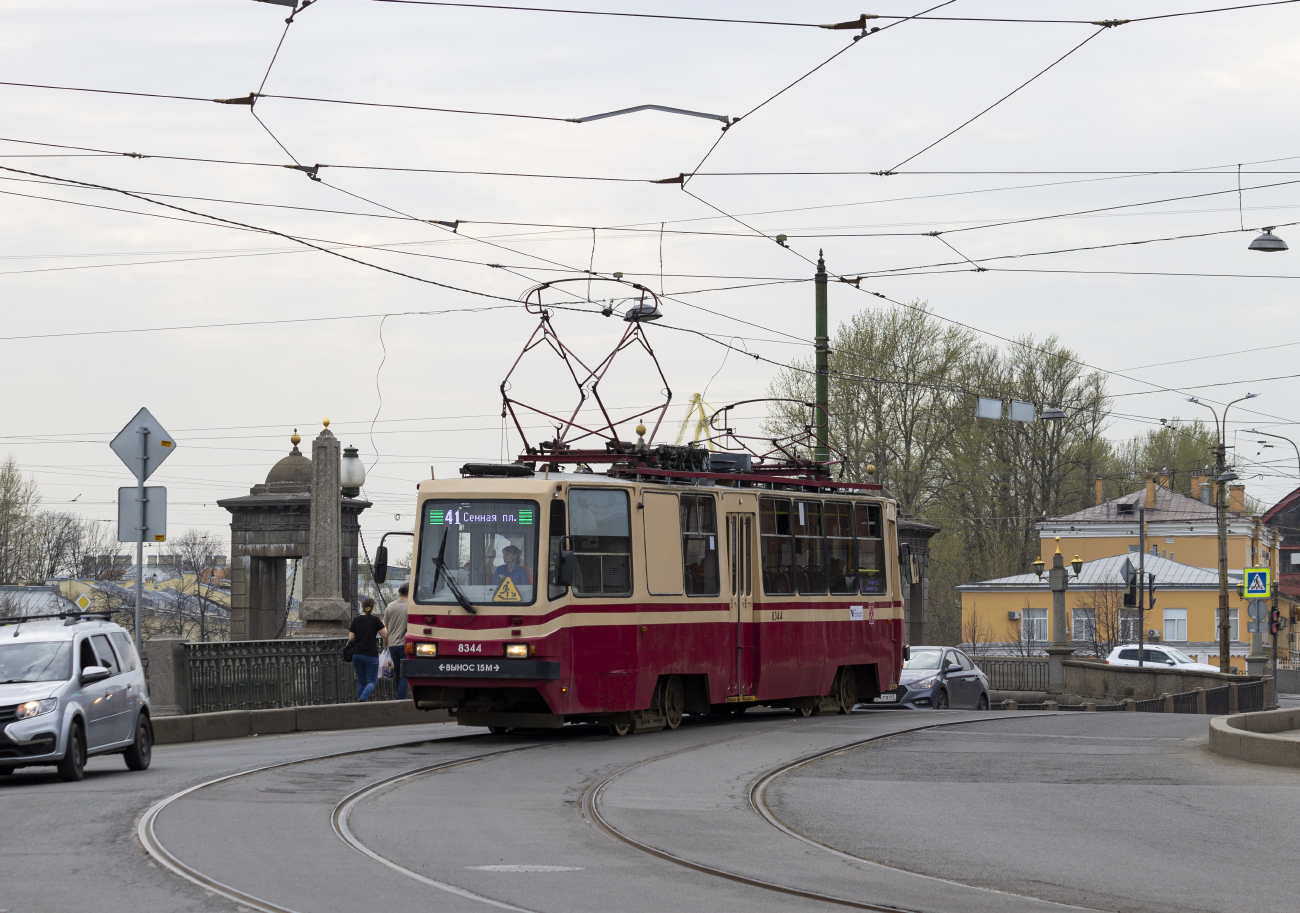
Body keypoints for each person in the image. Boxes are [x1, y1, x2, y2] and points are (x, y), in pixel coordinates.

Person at [348, 598, 387, 702]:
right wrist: (383, 624)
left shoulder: (356, 620)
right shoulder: (375, 620)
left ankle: (360, 704)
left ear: (362, 607)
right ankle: (363, 698)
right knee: (372, 681)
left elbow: (351, 637)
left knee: (361, 681)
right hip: (371, 655)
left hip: (357, 654)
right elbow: (385, 635)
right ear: (372, 607)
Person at [383, 583, 410, 701]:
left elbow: (385, 628)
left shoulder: (390, 606)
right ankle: (400, 697)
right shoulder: (410, 606)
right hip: (405, 644)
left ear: (399, 592)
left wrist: (385, 646)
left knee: (397, 673)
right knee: (405, 673)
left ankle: (398, 698)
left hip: (392, 645)